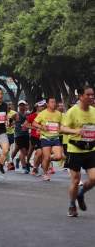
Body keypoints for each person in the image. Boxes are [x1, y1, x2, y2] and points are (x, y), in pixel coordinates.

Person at [60, 86, 95, 217]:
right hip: (75, 149)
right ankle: (72, 204)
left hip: (90, 149)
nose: (91, 97)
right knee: (75, 180)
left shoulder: (94, 111)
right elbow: (62, 128)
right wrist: (76, 131)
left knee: (94, 178)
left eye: (93, 95)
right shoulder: (72, 112)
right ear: (80, 96)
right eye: (88, 95)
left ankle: (81, 194)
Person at [33, 97, 64, 181]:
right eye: (52, 102)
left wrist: (61, 128)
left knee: (59, 156)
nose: (54, 104)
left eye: (55, 102)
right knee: (46, 158)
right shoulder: (43, 113)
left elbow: (61, 124)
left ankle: (46, 159)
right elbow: (34, 123)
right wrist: (41, 126)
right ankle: (45, 173)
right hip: (45, 138)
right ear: (47, 104)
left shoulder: (59, 113)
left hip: (55, 138)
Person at [11, 100, 31, 173]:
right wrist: (12, 124)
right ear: (18, 106)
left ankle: (17, 159)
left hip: (26, 134)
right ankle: (24, 167)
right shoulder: (16, 114)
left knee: (26, 152)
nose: (22, 107)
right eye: (20, 105)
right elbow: (10, 121)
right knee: (23, 151)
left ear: (25, 106)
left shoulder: (28, 114)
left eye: (23, 105)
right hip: (18, 135)